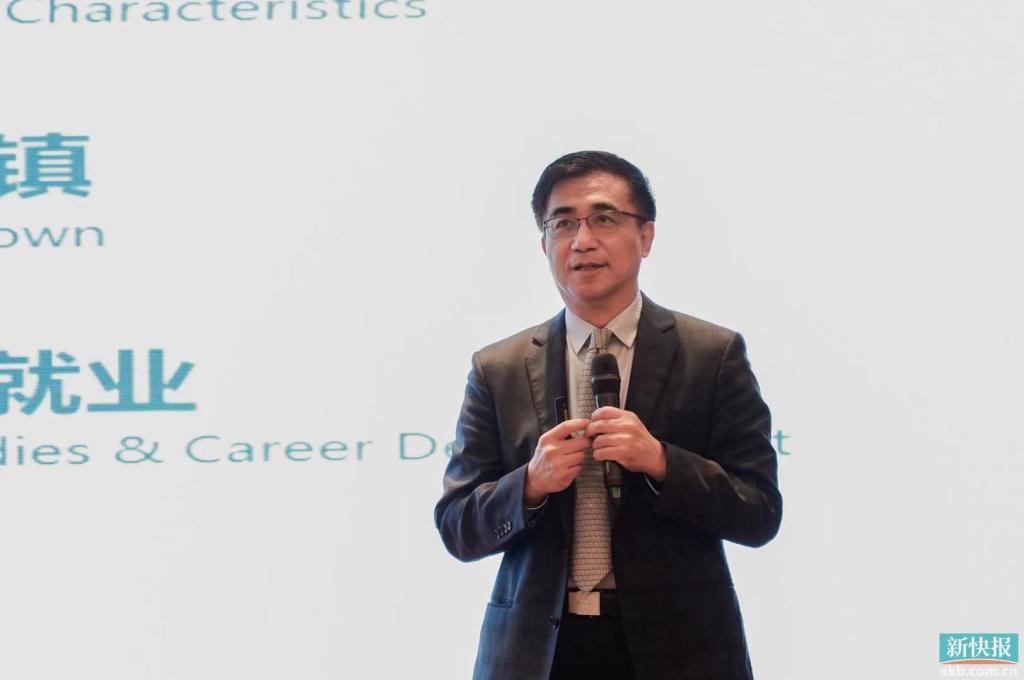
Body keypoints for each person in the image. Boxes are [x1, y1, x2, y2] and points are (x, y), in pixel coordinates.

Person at [434, 151, 782, 680]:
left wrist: (662, 462)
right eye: (562, 223)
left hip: (682, 651)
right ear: (544, 243)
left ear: (646, 236)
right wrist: (530, 484)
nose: (582, 240)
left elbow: (759, 513)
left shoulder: (713, 354)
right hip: (536, 653)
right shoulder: (497, 368)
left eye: (604, 219)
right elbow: (457, 527)